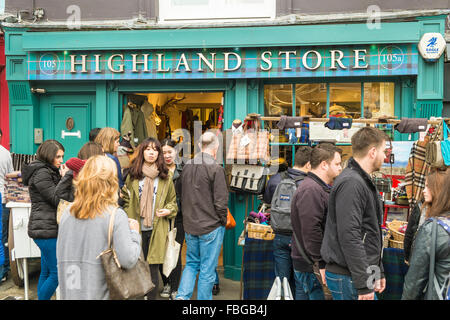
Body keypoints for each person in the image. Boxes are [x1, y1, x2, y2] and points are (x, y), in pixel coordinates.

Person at [57, 155, 142, 300]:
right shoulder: (115, 215)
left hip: (71, 292)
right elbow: (128, 259)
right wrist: (134, 233)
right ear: (111, 181)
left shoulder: (67, 212)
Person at [320, 127, 388, 300]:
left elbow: (370, 231)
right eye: (383, 151)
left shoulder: (360, 180)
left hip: (358, 273)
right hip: (348, 276)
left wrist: (376, 271)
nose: (385, 156)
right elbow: (349, 236)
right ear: (373, 152)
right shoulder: (352, 183)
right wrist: (364, 284)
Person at [121, 137, 177, 300]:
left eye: (155, 149)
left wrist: (168, 210)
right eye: (148, 149)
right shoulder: (133, 175)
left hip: (157, 229)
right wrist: (127, 215)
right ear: (142, 152)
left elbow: (173, 202)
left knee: (153, 271)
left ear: (158, 153)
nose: (151, 152)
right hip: (135, 229)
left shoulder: (166, 177)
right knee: (136, 268)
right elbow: (124, 199)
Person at [175, 132, 229, 300]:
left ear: (199, 145)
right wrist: (222, 221)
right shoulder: (216, 168)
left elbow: (180, 195)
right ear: (217, 147)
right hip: (210, 226)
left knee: (191, 264)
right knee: (207, 269)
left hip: (191, 225)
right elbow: (221, 203)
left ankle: (182, 298)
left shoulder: (187, 166)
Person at [291, 143, 342, 300]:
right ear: (324, 165)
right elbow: (311, 230)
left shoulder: (317, 187)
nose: (340, 168)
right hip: (311, 266)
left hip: (311, 264)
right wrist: (320, 264)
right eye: (337, 164)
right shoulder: (311, 190)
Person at [21, 139, 69, 300]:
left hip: (45, 228)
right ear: (48, 156)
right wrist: (65, 179)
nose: (61, 160)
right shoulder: (42, 173)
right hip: (45, 230)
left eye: (62, 156)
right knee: (57, 273)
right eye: (58, 156)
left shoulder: (46, 170)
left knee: (47, 271)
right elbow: (56, 198)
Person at [263, 146, 312, 293]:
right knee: (300, 283)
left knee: (282, 280)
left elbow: (267, 201)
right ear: (309, 164)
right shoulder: (309, 184)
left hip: (279, 235)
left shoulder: (275, 179)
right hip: (299, 239)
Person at [402, 168, 450, 300]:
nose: (423, 190)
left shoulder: (432, 229)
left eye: (428, 186)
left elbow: (414, 283)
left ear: (439, 190)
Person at [158, 138, 184, 299]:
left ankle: (175, 287)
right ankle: (166, 283)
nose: (167, 155)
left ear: (176, 152)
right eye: (164, 152)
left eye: (170, 152)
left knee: (175, 249)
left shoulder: (184, 170)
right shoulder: (157, 170)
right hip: (160, 217)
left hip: (180, 217)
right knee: (161, 250)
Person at [0, 129, 13, 283]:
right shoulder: (5, 153)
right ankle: (4, 269)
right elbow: (10, 177)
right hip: (3, 198)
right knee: (3, 234)